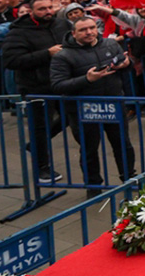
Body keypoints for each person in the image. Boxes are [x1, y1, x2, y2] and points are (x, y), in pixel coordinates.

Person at [49, 17, 137, 194]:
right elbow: (58, 85)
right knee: (89, 149)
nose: (89, 32)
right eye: (83, 30)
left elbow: (124, 66)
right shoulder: (63, 56)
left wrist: (127, 64)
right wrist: (87, 79)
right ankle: (93, 185)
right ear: (73, 33)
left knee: (123, 144)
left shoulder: (111, 45)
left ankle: (129, 178)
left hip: (113, 104)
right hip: (83, 109)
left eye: (92, 28)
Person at [1, 0, 72, 182]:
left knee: (70, 116)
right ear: (31, 11)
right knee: (39, 127)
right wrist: (46, 53)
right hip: (36, 87)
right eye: (42, 9)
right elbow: (11, 61)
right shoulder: (18, 32)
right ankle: (42, 168)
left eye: (50, 7)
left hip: (61, 82)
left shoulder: (62, 24)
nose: (48, 11)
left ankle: (35, 145)